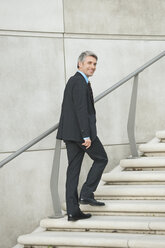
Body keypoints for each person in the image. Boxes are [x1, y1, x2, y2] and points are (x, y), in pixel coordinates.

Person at [57, 51, 108, 221]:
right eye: (89, 63)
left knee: (73, 171)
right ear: (80, 64)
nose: (92, 67)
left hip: (71, 134)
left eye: (94, 64)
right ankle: (86, 193)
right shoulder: (79, 82)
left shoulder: (77, 81)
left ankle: (73, 211)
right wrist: (86, 136)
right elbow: (81, 109)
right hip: (81, 135)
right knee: (101, 158)